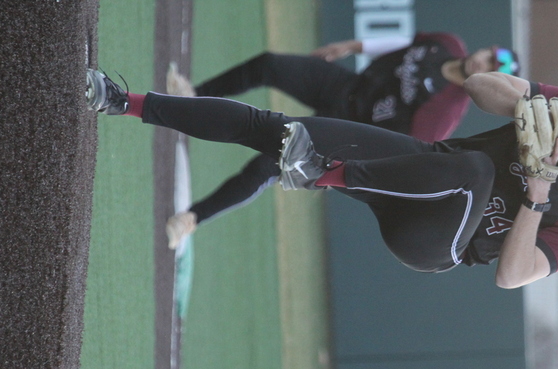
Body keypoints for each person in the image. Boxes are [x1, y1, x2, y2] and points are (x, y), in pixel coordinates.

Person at [85, 68, 558, 288]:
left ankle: (326, 173)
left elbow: (510, 277)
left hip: (438, 240)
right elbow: (477, 86)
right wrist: (525, 106)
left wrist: (536, 197)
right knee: (271, 129)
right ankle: (121, 100)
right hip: (416, 168)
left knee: (476, 172)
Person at [163, 35, 519, 237]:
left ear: (490, 80)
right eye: (491, 56)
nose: (484, 63)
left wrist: (343, 170)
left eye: (493, 69)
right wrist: (349, 47)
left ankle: (193, 218)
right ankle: (194, 94)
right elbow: (404, 42)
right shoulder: (448, 44)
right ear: (487, 49)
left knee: (266, 165)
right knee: (270, 64)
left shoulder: (445, 111)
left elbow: (404, 154)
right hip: (347, 88)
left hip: (347, 133)